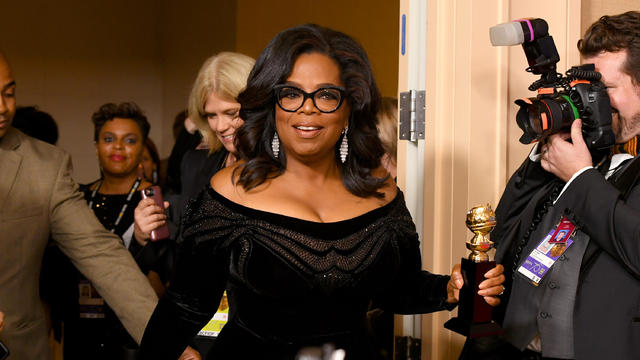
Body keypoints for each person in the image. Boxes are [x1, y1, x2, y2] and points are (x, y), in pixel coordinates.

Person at [138, 24, 505, 360]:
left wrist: (450, 290)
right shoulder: (230, 193)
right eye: (291, 94)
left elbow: (398, 290)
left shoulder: (381, 192)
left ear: (349, 107)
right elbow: (184, 307)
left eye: (326, 95)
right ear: (272, 103)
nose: (307, 110)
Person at [464, 11, 640, 360]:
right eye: (585, 88)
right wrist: (541, 156)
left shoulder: (580, 169)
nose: (592, 101)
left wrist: (579, 178)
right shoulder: (581, 151)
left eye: (603, 89)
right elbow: (501, 233)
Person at [0, 51, 158, 360]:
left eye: (8, 93)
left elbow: (101, 254)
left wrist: (168, 341)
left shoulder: (45, 166)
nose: (2, 107)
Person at [134, 51, 255, 358]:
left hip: (255, 336)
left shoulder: (282, 171)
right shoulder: (196, 165)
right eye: (211, 115)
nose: (221, 126)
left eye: (231, 112)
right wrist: (144, 234)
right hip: (198, 331)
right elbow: (182, 259)